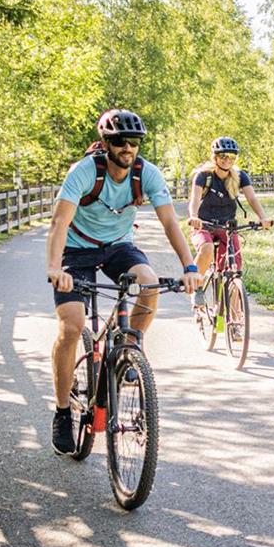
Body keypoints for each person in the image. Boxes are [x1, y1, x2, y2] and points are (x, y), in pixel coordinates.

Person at [44, 109, 204, 455]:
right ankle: (61, 412)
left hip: (118, 247)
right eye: (119, 141)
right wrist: (55, 267)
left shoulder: (147, 174)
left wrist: (190, 266)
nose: (127, 148)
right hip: (76, 251)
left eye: (134, 142)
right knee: (71, 326)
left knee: (148, 283)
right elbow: (59, 223)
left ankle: (131, 345)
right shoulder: (85, 172)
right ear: (106, 143)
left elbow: (170, 223)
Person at [186, 136, 273, 277]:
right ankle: (197, 285)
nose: (227, 160)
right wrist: (194, 217)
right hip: (203, 224)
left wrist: (263, 218)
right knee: (207, 248)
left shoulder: (240, 176)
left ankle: (234, 294)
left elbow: (251, 198)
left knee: (234, 268)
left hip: (227, 227)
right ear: (214, 157)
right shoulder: (203, 176)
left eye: (232, 156)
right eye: (222, 156)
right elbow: (195, 199)